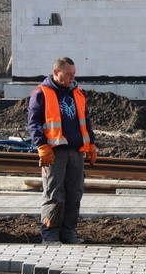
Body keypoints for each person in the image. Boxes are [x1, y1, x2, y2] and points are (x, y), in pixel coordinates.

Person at [27, 56, 98, 244]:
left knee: (74, 194)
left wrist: (91, 144)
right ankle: (50, 234)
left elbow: (86, 120)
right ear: (56, 72)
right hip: (54, 153)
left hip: (76, 151)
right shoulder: (41, 94)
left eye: (73, 74)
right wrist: (42, 146)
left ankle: (68, 233)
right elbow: (33, 123)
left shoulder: (78, 93)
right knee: (54, 194)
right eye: (68, 74)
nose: (71, 78)